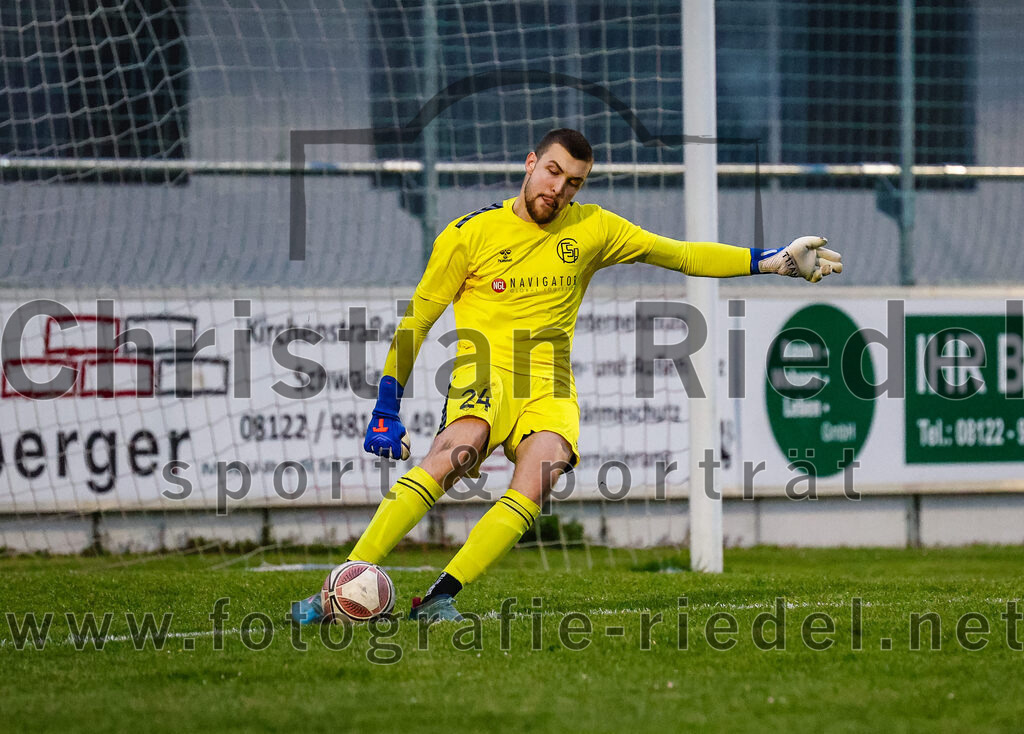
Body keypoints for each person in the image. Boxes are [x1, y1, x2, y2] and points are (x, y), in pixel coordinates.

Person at [291, 128, 841, 623]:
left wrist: (772, 261)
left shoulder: (594, 228)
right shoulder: (468, 234)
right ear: (530, 164)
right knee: (461, 449)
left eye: (573, 181)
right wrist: (387, 405)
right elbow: (417, 322)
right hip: (484, 370)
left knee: (542, 471)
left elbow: (682, 254)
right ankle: (337, 586)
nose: (560, 188)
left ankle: (439, 598)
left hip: (550, 384)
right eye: (553, 172)